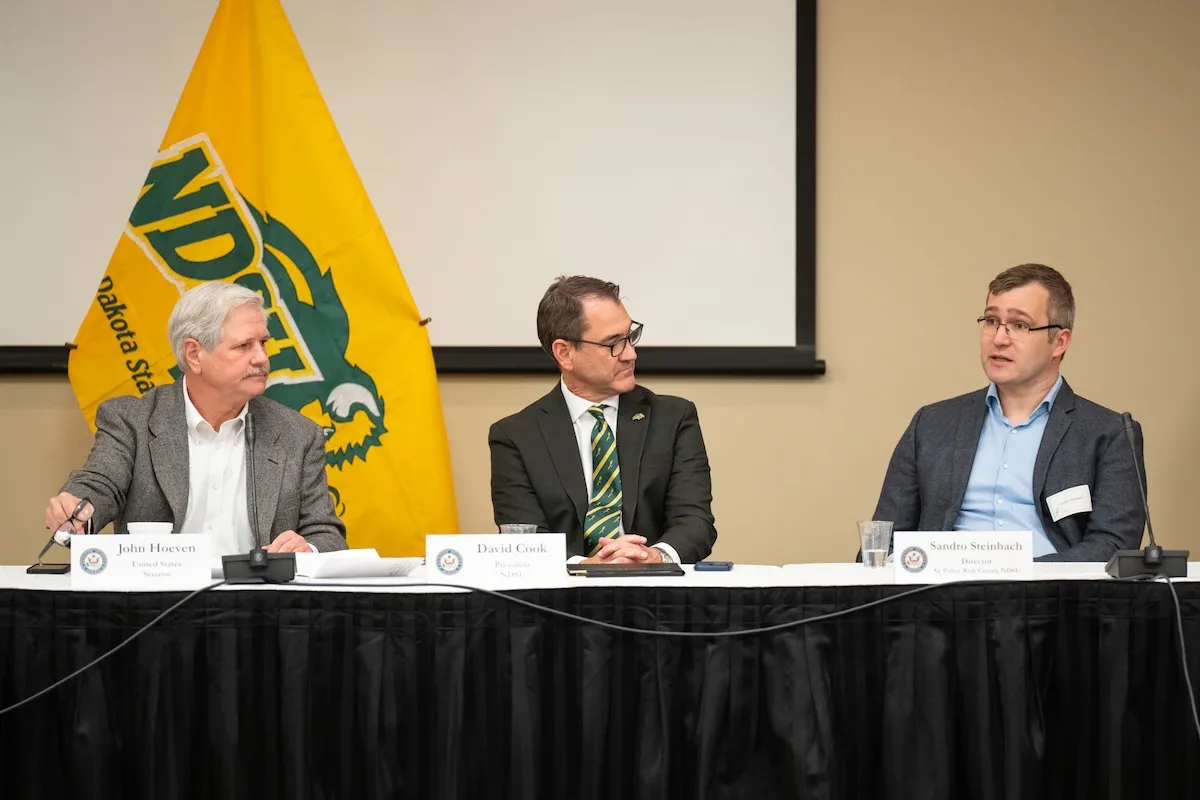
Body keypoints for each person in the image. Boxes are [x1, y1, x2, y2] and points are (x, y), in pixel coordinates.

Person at [44, 281, 347, 554]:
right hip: (156, 608)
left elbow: (327, 533)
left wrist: (306, 548)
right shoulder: (131, 420)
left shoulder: (297, 434)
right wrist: (78, 508)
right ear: (193, 354)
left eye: (263, 343)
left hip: (260, 607)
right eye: (244, 345)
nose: (262, 358)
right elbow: (101, 482)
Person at [873, 263, 1145, 561]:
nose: (999, 338)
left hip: (1051, 599)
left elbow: (1112, 547)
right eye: (991, 321)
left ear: (1060, 341)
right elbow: (883, 541)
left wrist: (1017, 574)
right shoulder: (932, 424)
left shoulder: (1109, 433)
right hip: (942, 598)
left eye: (1020, 325)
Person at [489, 275, 717, 563]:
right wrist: (585, 567)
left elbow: (695, 523)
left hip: (655, 594)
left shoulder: (673, 419)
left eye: (630, 337)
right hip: (560, 597)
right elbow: (524, 538)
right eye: (613, 344)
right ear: (565, 353)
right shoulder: (515, 437)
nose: (631, 354)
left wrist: (654, 557)